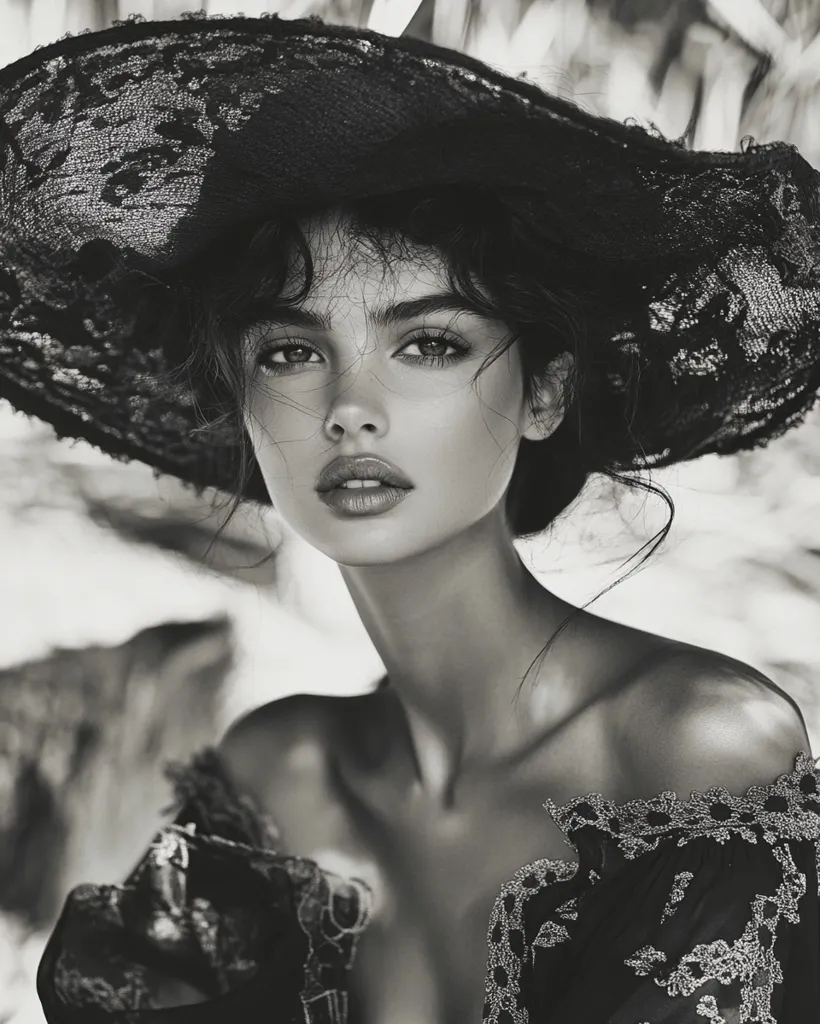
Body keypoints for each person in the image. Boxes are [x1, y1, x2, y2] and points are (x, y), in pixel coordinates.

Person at [1, 10, 820, 1023]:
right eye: (289, 352)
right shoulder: (274, 778)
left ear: (544, 393)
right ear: (243, 405)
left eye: (426, 342)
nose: (349, 405)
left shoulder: (694, 749)